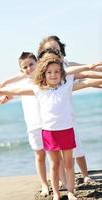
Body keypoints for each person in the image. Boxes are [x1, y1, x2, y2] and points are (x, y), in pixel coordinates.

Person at [0, 53, 102, 200]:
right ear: (44, 74)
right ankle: (57, 194)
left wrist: (93, 70)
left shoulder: (66, 85)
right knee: (54, 165)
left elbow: (87, 82)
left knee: (69, 164)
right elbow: (17, 90)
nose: (53, 75)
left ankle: (71, 192)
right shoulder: (38, 89)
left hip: (66, 130)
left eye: (57, 72)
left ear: (62, 73)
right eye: (49, 72)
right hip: (49, 132)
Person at [37, 35, 102, 183]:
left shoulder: (66, 67)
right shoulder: (43, 73)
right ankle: (62, 181)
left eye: (56, 49)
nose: (53, 51)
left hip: (65, 118)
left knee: (73, 149)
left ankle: (80, 177)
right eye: (49, 49)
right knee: (55, 157)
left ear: (61, 51)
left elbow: (87, 75)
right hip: (47, 120)